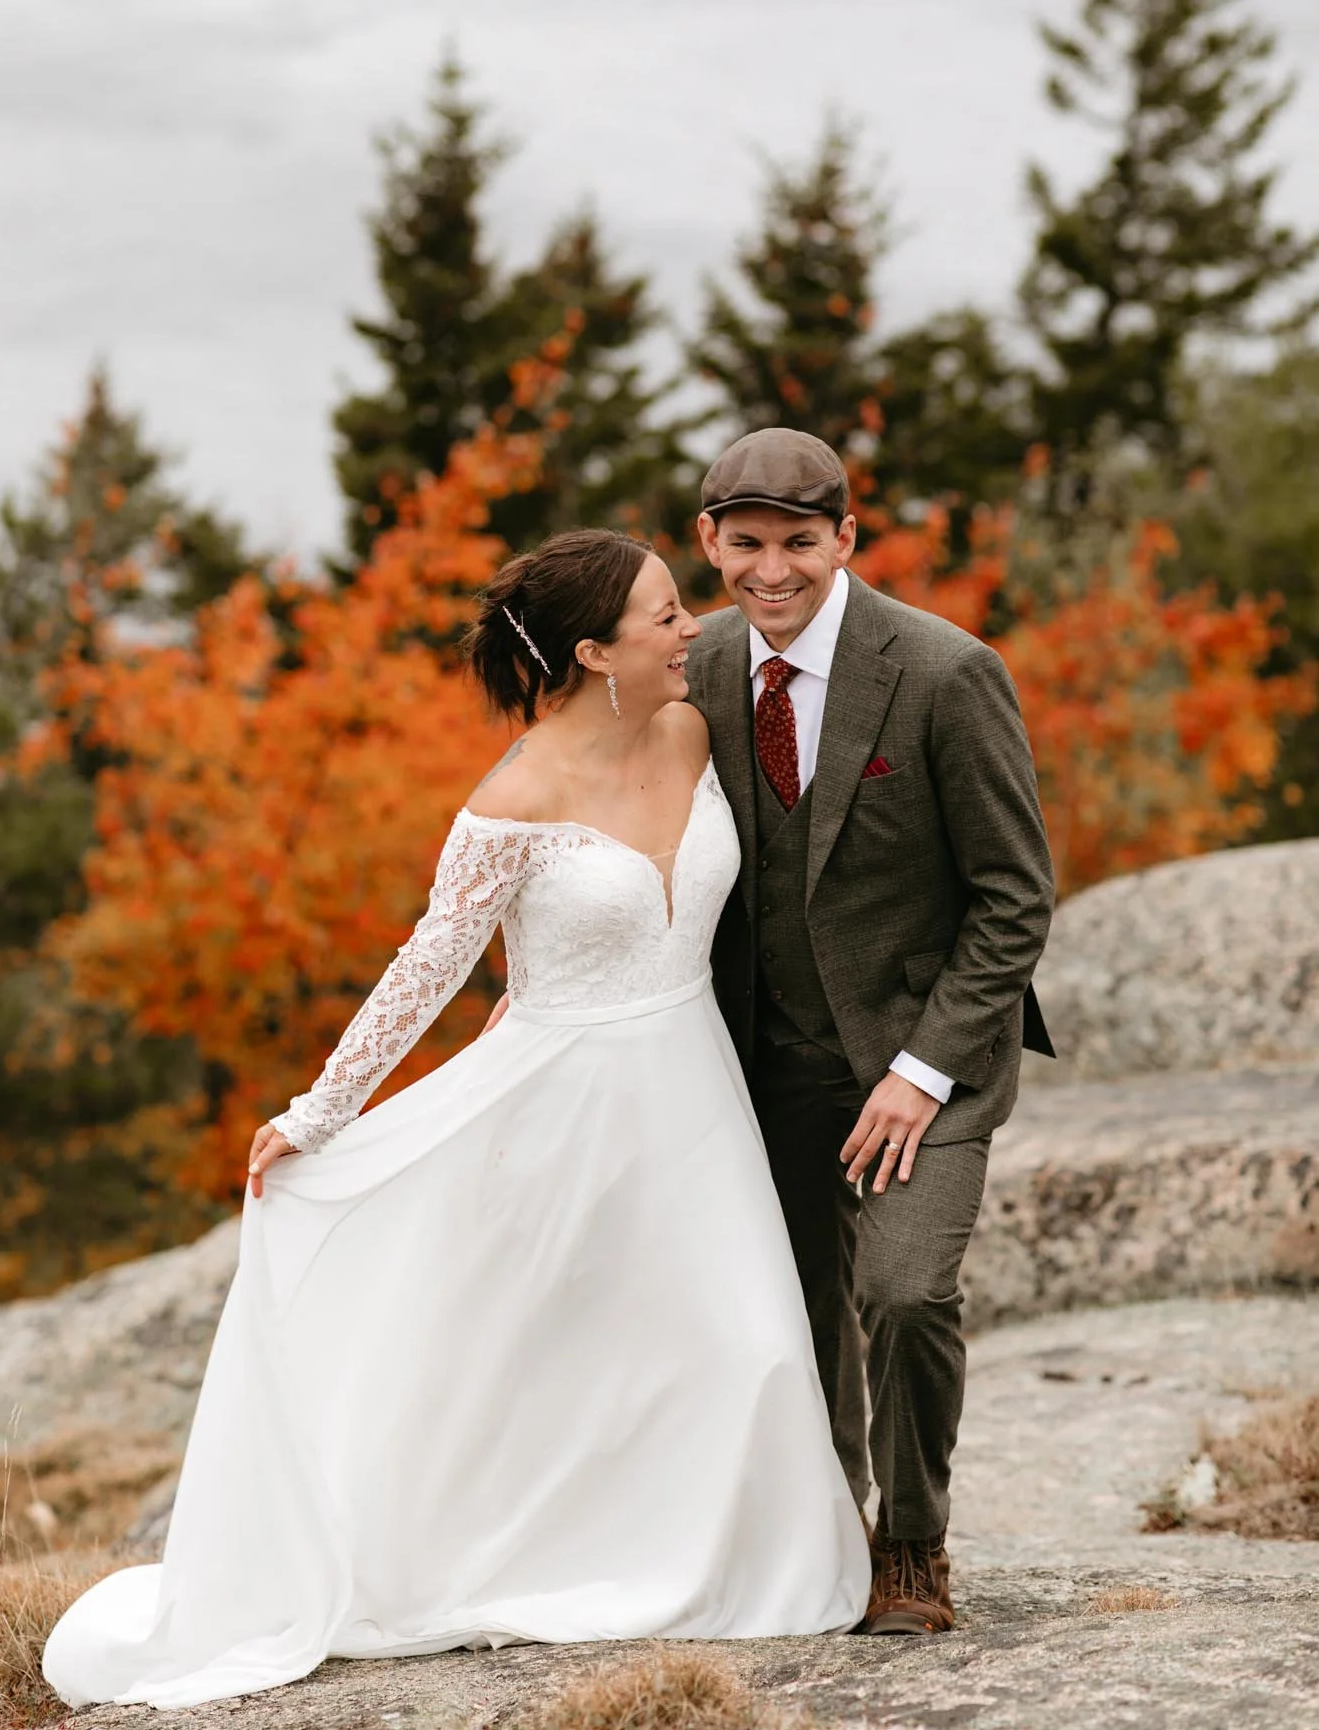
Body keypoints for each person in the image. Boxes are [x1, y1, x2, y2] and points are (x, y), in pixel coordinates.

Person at [42, 528, 870, 1711]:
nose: (694, 626)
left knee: (746, 1342)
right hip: (559, 1100)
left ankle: (753, 1566)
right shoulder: (511, 801)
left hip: (694, 1089)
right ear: (593, 650)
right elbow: (427, 966)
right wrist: (319, 1109)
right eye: (664, 614)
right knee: (539, 1359)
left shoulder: (694, 727)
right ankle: (501, 1559)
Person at [685, 428, 1056, 1638]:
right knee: (790, 1314)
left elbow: (1014, 898)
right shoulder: (699, 669)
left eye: (799, 541)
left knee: (900, 1293)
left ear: (846, 537)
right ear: (710, 543)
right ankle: (828, 1533)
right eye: (746, 544)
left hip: (925, 1061)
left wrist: (920, 1069)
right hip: (767, 1058)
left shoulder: (947, 673)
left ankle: (911, 1544)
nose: (771, 569)